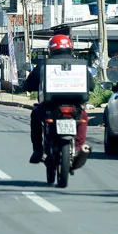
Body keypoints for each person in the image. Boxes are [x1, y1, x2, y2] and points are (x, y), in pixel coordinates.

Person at [24, 35, 94, 164]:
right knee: (83, 118)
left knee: (35, 116)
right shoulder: (80, 65)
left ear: (51, 49)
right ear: (70, 48)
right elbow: (91, 86)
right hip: (75, 106)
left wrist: (27, 87)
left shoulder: (44, 64)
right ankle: (79, 147)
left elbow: (29, 84)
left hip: (51, 106)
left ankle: (38, 150)